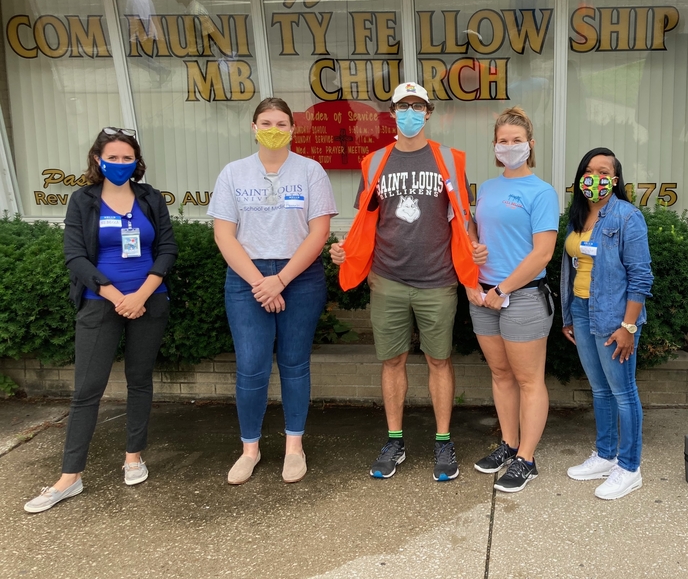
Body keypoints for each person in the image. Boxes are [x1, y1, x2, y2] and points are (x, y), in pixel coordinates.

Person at [330, 81, 479, 482]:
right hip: (389, 278)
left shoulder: (449, 159)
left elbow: (463, 216)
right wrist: (345, 250)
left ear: (428, 112)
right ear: (391, 112)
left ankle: (443, 441)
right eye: (403, 106)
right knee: (392, 360)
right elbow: (366, 218)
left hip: (437, 279)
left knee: (438, 360)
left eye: (418, 106)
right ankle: (394, 439)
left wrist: (475, 250)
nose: (410, 113)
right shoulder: (374, 162)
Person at [25, 127, 177, 513]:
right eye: (113, 157)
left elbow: (167, 249)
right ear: (98, 159)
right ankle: (69, 477)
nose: (120, 164)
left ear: (136, 161)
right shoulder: (83, 200)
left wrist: (141, 295)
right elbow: (75, 256)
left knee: (140, 381)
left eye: (128, 158)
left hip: (149, 302)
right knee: (86, 390)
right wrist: (116, 297)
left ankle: (133, 456)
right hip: (99, 303)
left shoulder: (150, 198)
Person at [208, 97, 337, 485]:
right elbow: (223, 234)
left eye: (282, 123)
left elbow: (319, 232)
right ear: (253, 126)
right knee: (251, 368)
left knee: (295, 365)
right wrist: (259, 282)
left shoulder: (311, 171)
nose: (274, 129)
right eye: (267, 122)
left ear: (293, 130)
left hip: (299, 277)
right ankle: (250, 448)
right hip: (247, 277)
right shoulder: (233, 173)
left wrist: (280, 280)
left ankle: (293, 447)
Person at [468, 107, 558, 493]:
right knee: (501, 375)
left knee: (529, 380)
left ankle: (527, 458)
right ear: (495, 146)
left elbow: (542, 254)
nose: (509, 147)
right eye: (503, 141)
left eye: (516, 141)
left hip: (520, 297)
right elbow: (475, 230)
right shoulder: (487, 188)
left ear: (530, 145)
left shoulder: (542, 192)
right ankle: (508, 444)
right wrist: (472, 254)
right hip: (482, 295)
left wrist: (501, 290)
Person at [560, 147, 652, 500]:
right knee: (599, 390)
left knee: (623, 393)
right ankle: (605, 454)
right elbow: (573, 268)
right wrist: (570, 315)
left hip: (614, 316)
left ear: (615, 180)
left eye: (603, 171)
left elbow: (641, 277)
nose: (594, 177)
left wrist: (628, 327)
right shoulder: (578, 216)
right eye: (588, 170)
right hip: (582, 312)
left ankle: (629, 468)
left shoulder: (627, 217)